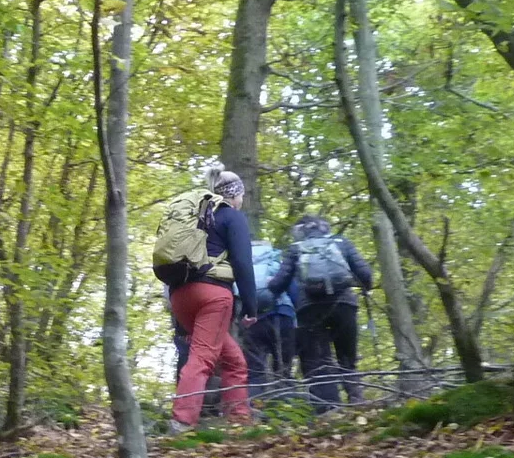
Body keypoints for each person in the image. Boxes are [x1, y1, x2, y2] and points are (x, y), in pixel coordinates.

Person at [157, 168, 257, 430]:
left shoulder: (197, 218)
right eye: (241, 195)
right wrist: (250, 305)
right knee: (202, 359)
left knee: (234, 361)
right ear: (234, 195)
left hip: (180, 297)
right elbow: (243, 264)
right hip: (212, 297)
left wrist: (180, 323)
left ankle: (239, 420)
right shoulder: (231, 217)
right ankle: (182, 421)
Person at [266, 214, 375, 411]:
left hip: (310, 309)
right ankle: (357, 401)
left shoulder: (296, 249)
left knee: (317, 360)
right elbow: (366, 274)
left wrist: (270, 286)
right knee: (347, 357)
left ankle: (328, 409)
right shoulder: (342, 243)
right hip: (344, 305)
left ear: (301, 231)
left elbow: (279, 284)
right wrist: (365, 287)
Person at [244, 236, 297, 400]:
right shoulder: (275, 261)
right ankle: (286, 411)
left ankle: (256, 409)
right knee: (283, 368)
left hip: (254, 319)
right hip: (283, 315)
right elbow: (293, 289)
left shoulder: (241, 263)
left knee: (255, 371)